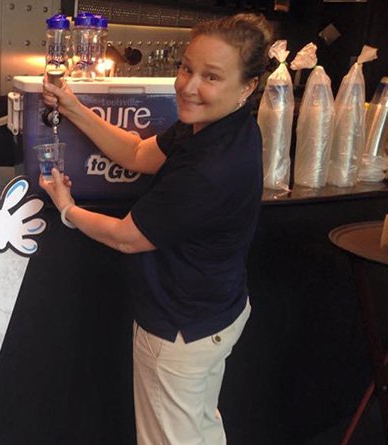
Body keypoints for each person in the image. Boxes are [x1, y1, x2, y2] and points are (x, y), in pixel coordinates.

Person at [40, 13, 273, 445]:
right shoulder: (216, 126)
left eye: (211, 76)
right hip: (215, 311)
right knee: (196, 429)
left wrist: (67, 208)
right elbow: (138, 153)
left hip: (180, 329)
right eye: (187, 68)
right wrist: (73, 106)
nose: (188, 86)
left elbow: (128, 237)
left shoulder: (212, 168)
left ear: (247, 87)